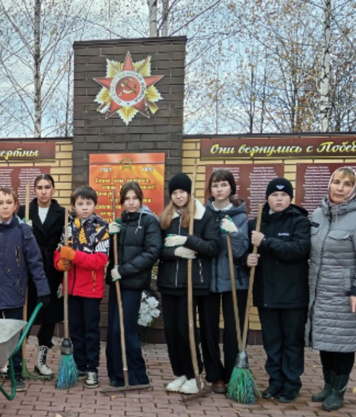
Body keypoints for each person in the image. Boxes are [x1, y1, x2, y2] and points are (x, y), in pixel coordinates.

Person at [0, 186, 51, 392]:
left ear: (15, 206)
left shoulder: (23, 231)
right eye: (0, 203)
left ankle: (16, 370)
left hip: (14, 290)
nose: (4, 207)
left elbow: (35, 262)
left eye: (9, 203)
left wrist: (43, 290)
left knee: (13, 335)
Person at [307, 167, 356, 411]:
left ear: (354, 189)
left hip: (346, 294)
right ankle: (328, 385)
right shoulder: (319, 214)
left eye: (346, 184)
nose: (339, 188)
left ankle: (338, 391)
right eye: (336, 182)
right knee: (326, 341)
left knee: (343, 343)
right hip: (320, 292)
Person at [246, 178, 310, 403]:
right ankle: (275, 382)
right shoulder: (257, 223)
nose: (279, 199)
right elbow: (244, 253)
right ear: (267, 198)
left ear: (290, 198)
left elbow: (299, 250)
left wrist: (266, 242)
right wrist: (248, 259)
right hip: (267, 295)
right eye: (274, 195)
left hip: (293, 296)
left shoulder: (299, 222)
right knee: (272, 342)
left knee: (292, 342)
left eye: (283, 195)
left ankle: (291, 384)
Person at [157, 173, 221, 395]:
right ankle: (180, 373)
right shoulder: (166, 218)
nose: (178, 196)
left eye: (182, 192)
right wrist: (174, 252)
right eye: (174, 193)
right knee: (172, 331)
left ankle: (195, 373)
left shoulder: (204, 216)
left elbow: (214, 247)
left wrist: (188, 240)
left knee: (186, 330)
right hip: (168, 282)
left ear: (189, 192)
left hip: (192, 283)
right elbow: (158, 250)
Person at [54, 186, 110, 389]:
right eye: (80, 203)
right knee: (76, 330)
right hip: (71, 289)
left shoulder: (101, 228)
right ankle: (79, 365)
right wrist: (60, 263)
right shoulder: (68, 228)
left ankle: (93, 368)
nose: (84, 207)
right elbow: (59, 253)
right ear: (74, 206)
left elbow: (100, 260)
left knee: (91, 331)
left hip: (91, 289)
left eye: (88, 203)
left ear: (95, 204)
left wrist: (74, 257)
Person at [105, 181, 161, 387]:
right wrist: (110, 236)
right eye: (127, 199)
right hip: (117, 284)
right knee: (113, 331)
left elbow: (152, 252)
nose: (131, 203)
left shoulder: (149, 222)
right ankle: (116, 374)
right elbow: (112, 256)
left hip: (133, 284)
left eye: (134, 198)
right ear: (122, 201)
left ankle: (137, 376)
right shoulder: (121, 222)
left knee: (124, 330)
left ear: (141, 199)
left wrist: (124, 270)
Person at [202, 169, 250, 393]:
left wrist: (235, 234)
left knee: (234, 329)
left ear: (231, 188)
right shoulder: (203, 214)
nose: (218, 189)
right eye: (214, 185)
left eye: (223, 185)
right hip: (208, 281)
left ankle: (233, 372)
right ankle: (215, 375)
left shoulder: (240, 216)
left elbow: (242, 251)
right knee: (209, 329)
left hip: (234, 280)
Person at [17, 174, 65, 377]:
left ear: (53, 189)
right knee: (27, 315)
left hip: (52, 270)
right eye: (39, 187)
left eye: (47, 187)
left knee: (49, 315)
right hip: (30, 270)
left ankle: (41, 359)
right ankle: (17, 359)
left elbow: (66, 240)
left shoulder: (63, 213)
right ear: (34, 190)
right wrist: (22, 230)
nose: (43, 191)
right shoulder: (24, 211)